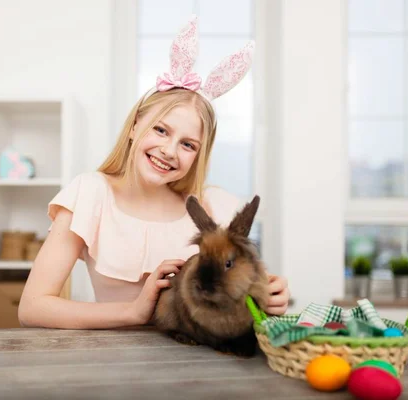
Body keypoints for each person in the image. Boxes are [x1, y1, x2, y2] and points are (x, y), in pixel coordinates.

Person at [18, 14, 290, 330]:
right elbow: (33, 307)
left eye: (188, 145)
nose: (169, 151)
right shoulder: (91, 194)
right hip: (114, 360)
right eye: (161, 130)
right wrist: (133, 311)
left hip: (195, 362)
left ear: (198, 156)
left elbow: (246, 292)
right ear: (135, 126)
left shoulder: (211, 206)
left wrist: (270, 297)